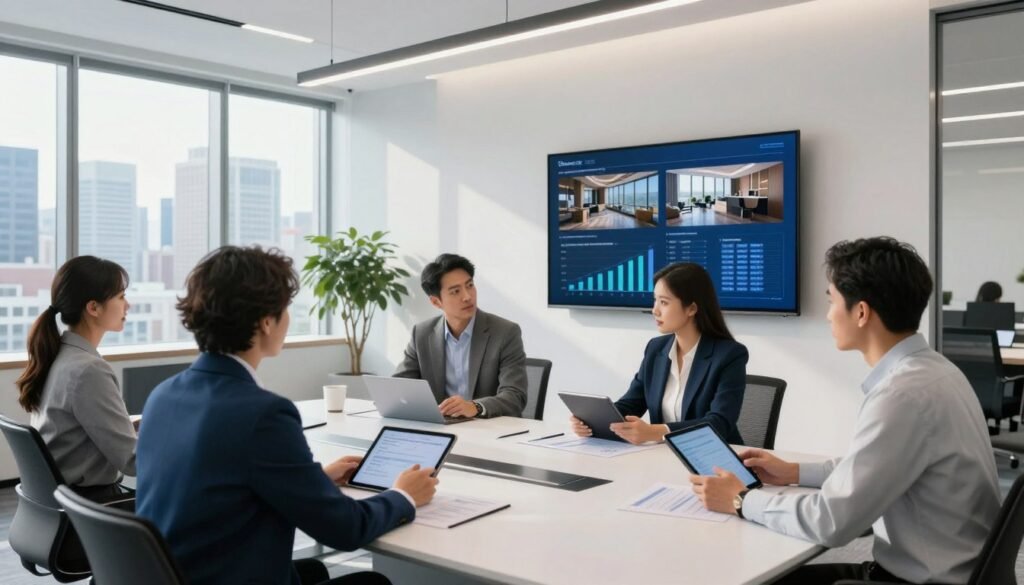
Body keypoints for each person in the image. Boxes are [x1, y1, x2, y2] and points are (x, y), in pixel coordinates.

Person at [690, 237, 1001, 584]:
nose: (827, 315)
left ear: (862, 312)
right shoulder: (936, 372)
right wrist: (793, 471)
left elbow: (831, 523)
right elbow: (875, 466)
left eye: (831, 300)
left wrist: (741, 500)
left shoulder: (902, 396)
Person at [136, 246, 438, 585]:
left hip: (180, 574)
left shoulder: (162, 395)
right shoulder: (263, 413)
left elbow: (221, 488)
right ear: (266, 322)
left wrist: (314, 480)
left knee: (313, 571)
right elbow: (346, 529)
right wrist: (403, 494)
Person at [571, 262, 748, 445]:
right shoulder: (656, 349)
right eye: (655, 300)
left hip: (715, 458)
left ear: (692, 309)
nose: (655, 310)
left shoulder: (729, 355)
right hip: (663, 456)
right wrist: (592, 420)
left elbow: (719, 423)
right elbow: (632, 403)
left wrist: (656, 432)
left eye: (664, 302)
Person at [15, 255, 137, 500]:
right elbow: (133, 461)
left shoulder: (57, 355)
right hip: (94, 507)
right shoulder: (89, 370)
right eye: (121, 297)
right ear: (93, 308)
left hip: (65, 503)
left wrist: (129, 425)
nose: (128, 305)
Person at [394, 253, 527, 418]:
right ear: (436, 302)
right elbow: (399, 386)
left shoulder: (505, 332)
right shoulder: (421, 334)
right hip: (442, 429)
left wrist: (475, 407)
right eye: (455, 291)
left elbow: (515, 396)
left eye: (470, 285)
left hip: (489, 430)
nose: (467, 296)